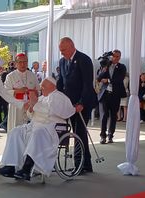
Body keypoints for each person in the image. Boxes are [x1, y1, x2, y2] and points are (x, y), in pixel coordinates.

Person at [0, 77, 76, 181]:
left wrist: (35, 104)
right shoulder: (41, 98)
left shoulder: (59, 97)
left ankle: (27, 169)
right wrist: (31, 108)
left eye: (44, 86)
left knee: (37, 133)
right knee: (15, 132)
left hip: (50, 127)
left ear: (52, 86)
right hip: (34, 125)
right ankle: (10, 166)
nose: (41, 88)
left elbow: (51, 112)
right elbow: (30, 115)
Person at [57, 37, 98, 173]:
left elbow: (87, 84)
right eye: (60, 50)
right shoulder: (62, 61)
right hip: (68, 103)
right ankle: (85, 164)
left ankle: (81, 165)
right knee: (67, 131)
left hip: (83, 103)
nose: (61, 53)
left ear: (72, 46)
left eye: (63, 50)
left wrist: (81, 102)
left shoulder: (83, 59)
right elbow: (61, 82)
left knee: (79, 133)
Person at [4, 53, 40, 133]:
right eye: (20, 62)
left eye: (25, 62)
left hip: (30, 106)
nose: (23, 64)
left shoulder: (32, 75)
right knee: (15, 130)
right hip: (16, 107)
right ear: (16, 63)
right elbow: (6, 92)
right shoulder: (10, 76)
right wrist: (17, 91)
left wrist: (33, 92)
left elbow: (39, 91)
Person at [97, 49, 127, 144]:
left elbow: (119, 79)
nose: (116, 58)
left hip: (115, 94)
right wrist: (104, 68)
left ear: (120, 57)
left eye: (118, 56)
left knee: (113, 116)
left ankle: (110, 135)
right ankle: (103, 136)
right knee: (104, 116)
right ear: (111, 56)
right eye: (114, 56)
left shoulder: (122, 67)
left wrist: (108, 80)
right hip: (105, 94)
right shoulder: (105, 65)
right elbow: (99, 78)